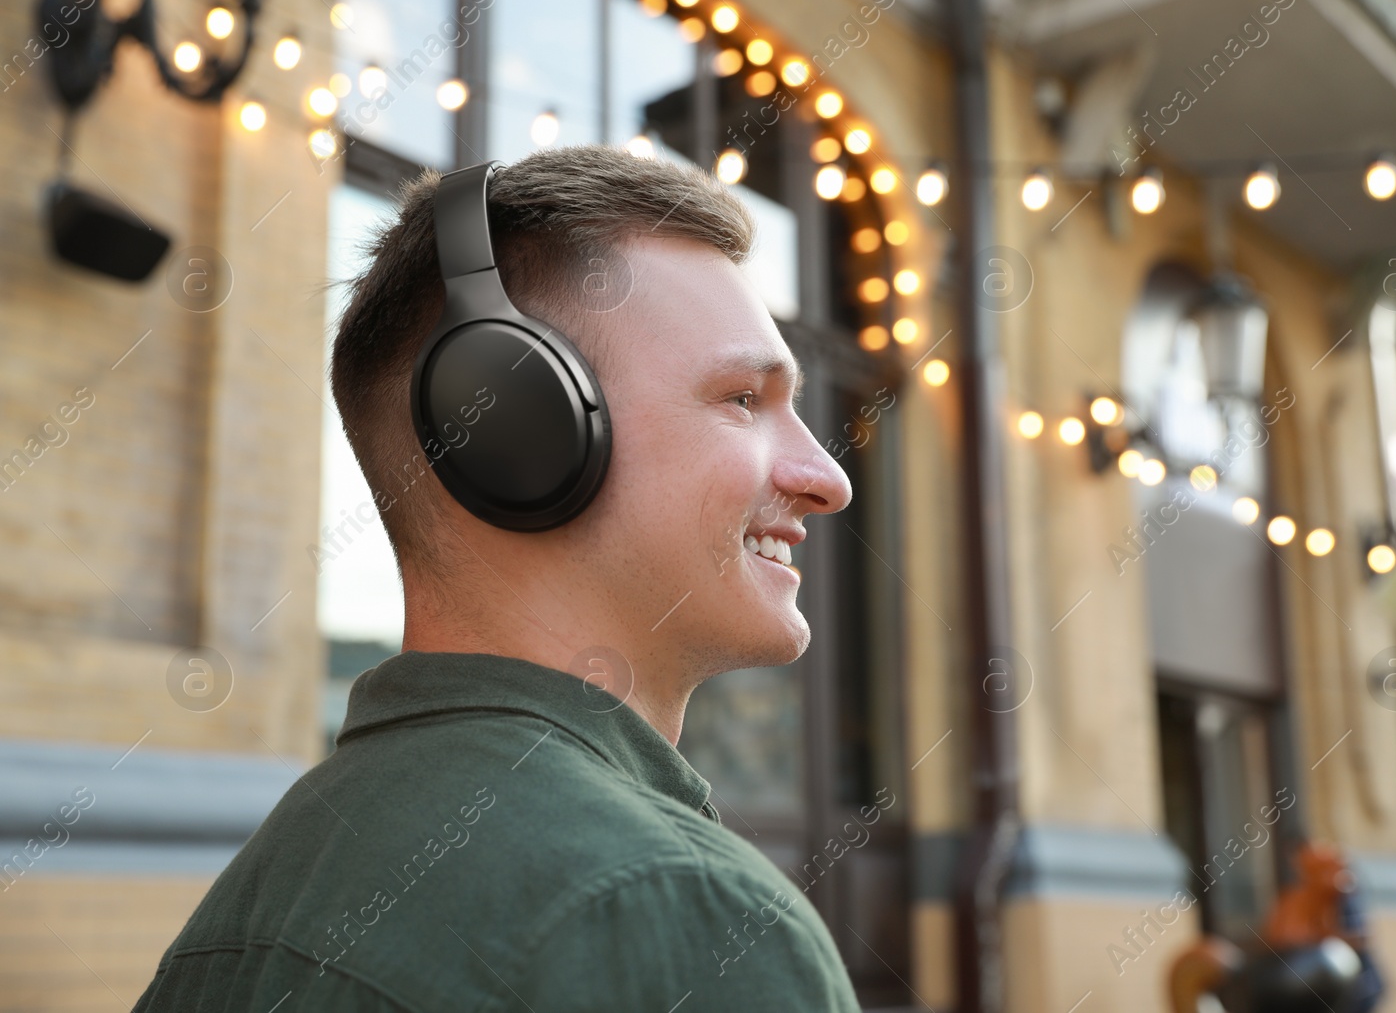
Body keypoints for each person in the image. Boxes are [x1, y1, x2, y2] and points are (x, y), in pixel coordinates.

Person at [132, 145, 859, 1011]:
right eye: (744, 398)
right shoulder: (674, 910)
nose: (829, 479)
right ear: (518, 430)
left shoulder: (246, 909)